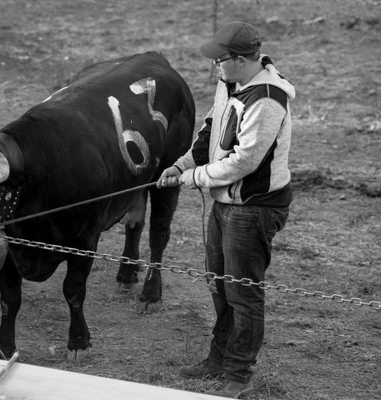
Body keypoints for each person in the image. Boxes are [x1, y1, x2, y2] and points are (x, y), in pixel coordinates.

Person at [158, 21, 295, 398]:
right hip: (225, 201)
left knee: (243, 293)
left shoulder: (267, 99)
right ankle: (217, 359)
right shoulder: (229, 83)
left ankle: (239, 373)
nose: (214, 66)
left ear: (239, 59)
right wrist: (183, 164)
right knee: (219, 285)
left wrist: (195, 178)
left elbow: (244, 161)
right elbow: (211, 130)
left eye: (219, 60)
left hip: (253, 207)